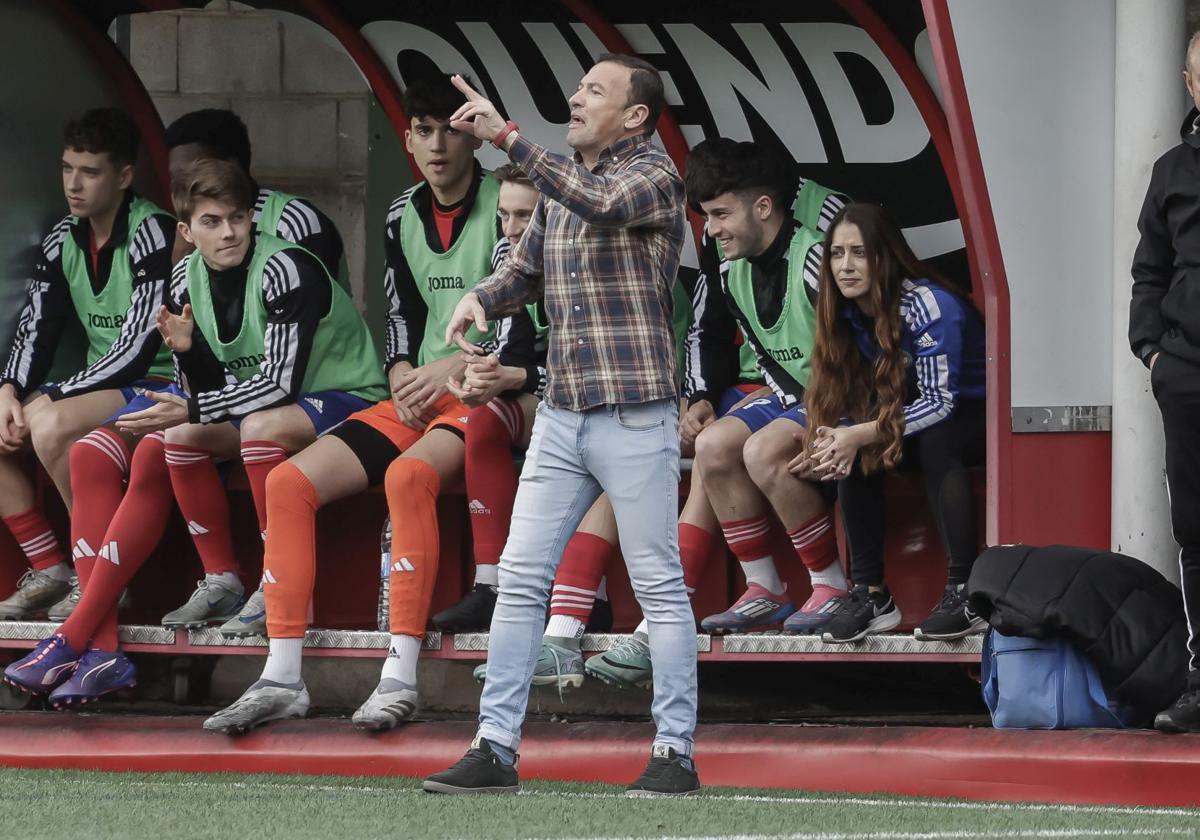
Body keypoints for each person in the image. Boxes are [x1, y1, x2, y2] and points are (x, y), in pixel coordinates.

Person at [2, 158, 386, 706]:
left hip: (344, 400)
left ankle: (272, 586)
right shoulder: (185, 277)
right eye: (211, 221)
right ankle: (217, 584)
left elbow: (279, 385)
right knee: (158, 442)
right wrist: (188, 353)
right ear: (187, 231)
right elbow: (203, 386)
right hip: (252, 408)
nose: (227, 232)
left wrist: (194, 406)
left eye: (237, 218)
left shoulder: (285, 268)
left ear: (253, 217)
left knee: (253, 427)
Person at [422, 55, 699, 798]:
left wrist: (508, 137)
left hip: (637, 414)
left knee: (660, 588)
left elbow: (601, 202)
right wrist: (483, 296)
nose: (576, 98)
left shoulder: (654, 176)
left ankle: (674, 751)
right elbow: (526, 268)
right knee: (518, 582)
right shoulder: (559, 178)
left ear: (636, 115)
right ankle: (493, 747)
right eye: (579, 88)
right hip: (563, 414)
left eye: (595, 91)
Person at [201, 74, 506, 734]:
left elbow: (525, 305)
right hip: (419, 394)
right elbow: (400, 311)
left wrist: (456, 365)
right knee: (286, 483)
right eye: (423, 130)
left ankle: (398, 676)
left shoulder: (505, 203)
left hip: (483, 391)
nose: (438, 144)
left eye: (451, 129)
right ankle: (282, 677)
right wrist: (400, 367)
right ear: (406, 139)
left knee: (409, 477)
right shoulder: (401, 212)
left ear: (474, 136)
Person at [0, 108, 177, 621]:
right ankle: (51, 567)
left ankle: (98, 575)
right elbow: (36, 328)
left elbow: (140, 347)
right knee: (6, 419)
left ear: (123, 176)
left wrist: (53, 395)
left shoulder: (154, 232)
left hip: (158, 382)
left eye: (90, 171)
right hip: (100, 384)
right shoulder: (62, 238)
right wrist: (9, 388)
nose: (73, 185)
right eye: (66, 169)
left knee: (48, 421)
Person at [682, 139, 851, 637]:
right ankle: (766, 589)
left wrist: (815, 419)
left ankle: (831, 586)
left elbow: (862, 357)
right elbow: (772, 360)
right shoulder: (733, 271)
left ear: (763, 207)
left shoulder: (817, 260)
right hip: (801, 395)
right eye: (707, 217)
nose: (711, 230)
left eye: (720, 214)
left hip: (852, 402)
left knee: (763, 450)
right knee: (713, 445)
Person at [796, 202, 985, 645]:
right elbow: (842, 398)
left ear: (885, 256)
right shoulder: (840, 312)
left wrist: (861, 433)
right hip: (905, 418)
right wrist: (831, 439)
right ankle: (870, 594)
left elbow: (940, 403)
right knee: (851, 447)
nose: (846, 266)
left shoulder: (927, 304)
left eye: (859, 253)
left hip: (972, 418)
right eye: (837, 254)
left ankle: (966, 591)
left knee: (937, 441)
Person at [1131, 32, 1200, 734]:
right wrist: (1153, 353)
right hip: (1187, 377)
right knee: (1196, 529)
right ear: (1188, 82)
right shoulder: (1172, 171)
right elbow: (1149, 270)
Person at [164, 108, 348, 286]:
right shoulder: (191, 227)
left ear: (230, 166)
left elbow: (309, 305)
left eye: (191, 172)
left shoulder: (291, 221)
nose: (181, 185)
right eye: (175, 178)